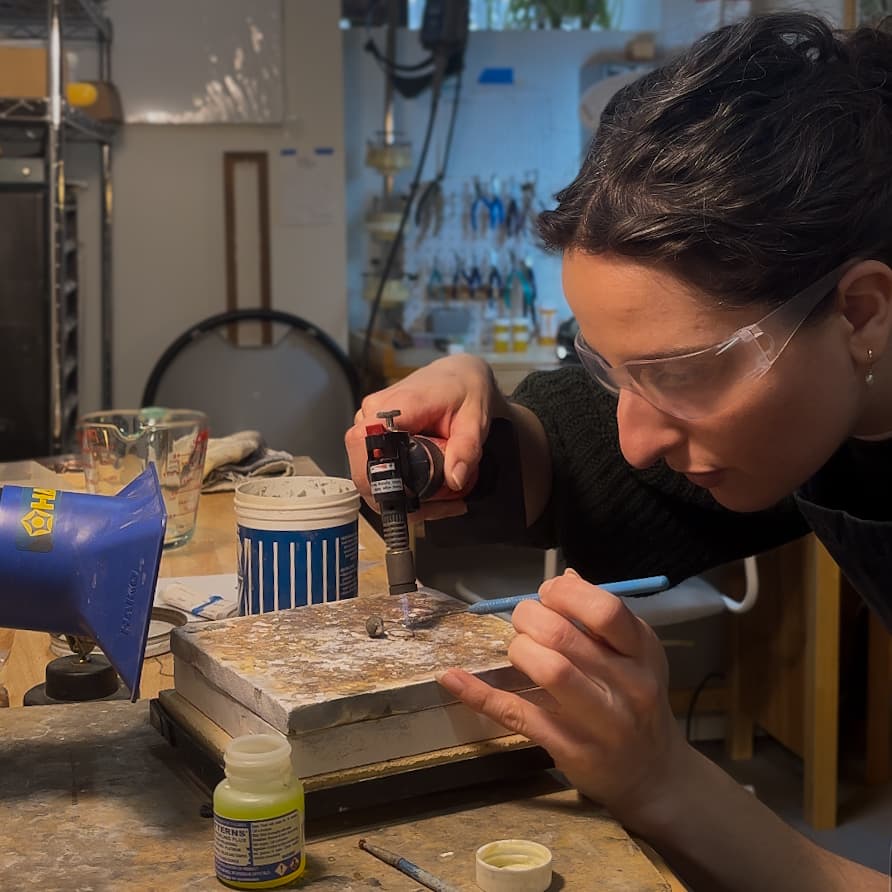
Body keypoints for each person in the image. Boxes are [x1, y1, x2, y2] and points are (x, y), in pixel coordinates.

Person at [346, 13, 892, 890]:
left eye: (674, 373)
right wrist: (473, 430)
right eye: (612, 367)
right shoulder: (819, 392)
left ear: (860, 313)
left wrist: (663, 782)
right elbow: (593, 466)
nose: (638, 439)